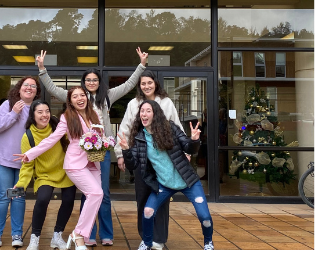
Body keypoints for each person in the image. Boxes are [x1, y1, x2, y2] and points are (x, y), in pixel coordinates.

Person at [35, 48, 148, 246]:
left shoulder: (108, 96)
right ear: (83, 82)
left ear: (99, 81)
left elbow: (129, 84)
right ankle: (88, 235)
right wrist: (42, 69)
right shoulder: (77, 97)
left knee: (102, 192)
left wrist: (141, 65)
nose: (91, 83)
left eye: (95, 80)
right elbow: (53, 88)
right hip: (81, 153)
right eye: (88, 80)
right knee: (90, 193)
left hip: (100, 152)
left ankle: (106, 234)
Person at [15, 86, 104, 250]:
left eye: (82, 95)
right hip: (75, 163)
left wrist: (105, 143)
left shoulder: (94, 114)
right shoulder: (67, 117)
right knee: (96, 193)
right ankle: (78, 234)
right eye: (75, 96)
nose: (79, 98)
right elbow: (52, 139)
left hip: (93, 161)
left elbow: (99, 136)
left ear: (86, 97)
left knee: (97, 196)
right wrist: (30, 154)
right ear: (70, 101)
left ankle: (79, 236)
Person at [119, 100, 213, 251]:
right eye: (142, 111)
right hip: (164, 184)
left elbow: (188, 147)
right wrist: (126, 151)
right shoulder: (139, 137)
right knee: (148, 211)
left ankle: (208, 242)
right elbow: (132, 165)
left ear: (155, 114)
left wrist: (194, 140)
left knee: (205, 217)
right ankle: (147, 242)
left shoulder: (170, 128)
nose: (144, 114)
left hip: (187, 181)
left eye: (148, 111)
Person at [117, 70, 184, 250]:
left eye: (149, 83)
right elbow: (124, 128)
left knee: (161, 199)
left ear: (156, 83)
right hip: (141, 157)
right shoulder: (133, 104)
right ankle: (146, 237)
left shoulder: (166, 102)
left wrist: (185, 150)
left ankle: (159, 239)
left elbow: (176, 126)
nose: (146, 86)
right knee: (143, 198)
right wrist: (120, 154)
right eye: (143, 84)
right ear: (139, 86)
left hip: (164, 160)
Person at [14, 100, 74, 250]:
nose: (44, 115)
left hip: (65, 170)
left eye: (47, 111)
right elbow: (27, 165)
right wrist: (21, 184)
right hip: (44, 174)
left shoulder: (58, 127)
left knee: (68, 200)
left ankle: (57, 235)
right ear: (33, 115)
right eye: (40, 112)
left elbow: (72, 145)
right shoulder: (28, 136)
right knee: (42, 199)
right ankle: (35, 238)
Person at [0, 76, 41, 247]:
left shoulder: (36, 109)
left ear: (36, 91)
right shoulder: (8, 105)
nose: (29, 88)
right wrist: (14, 114)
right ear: (19, 88)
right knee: (3, 196)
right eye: (26, 85)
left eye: (33, 86)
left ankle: (17, 235)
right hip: (3, 159)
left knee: (17, 198)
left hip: (24, 162)